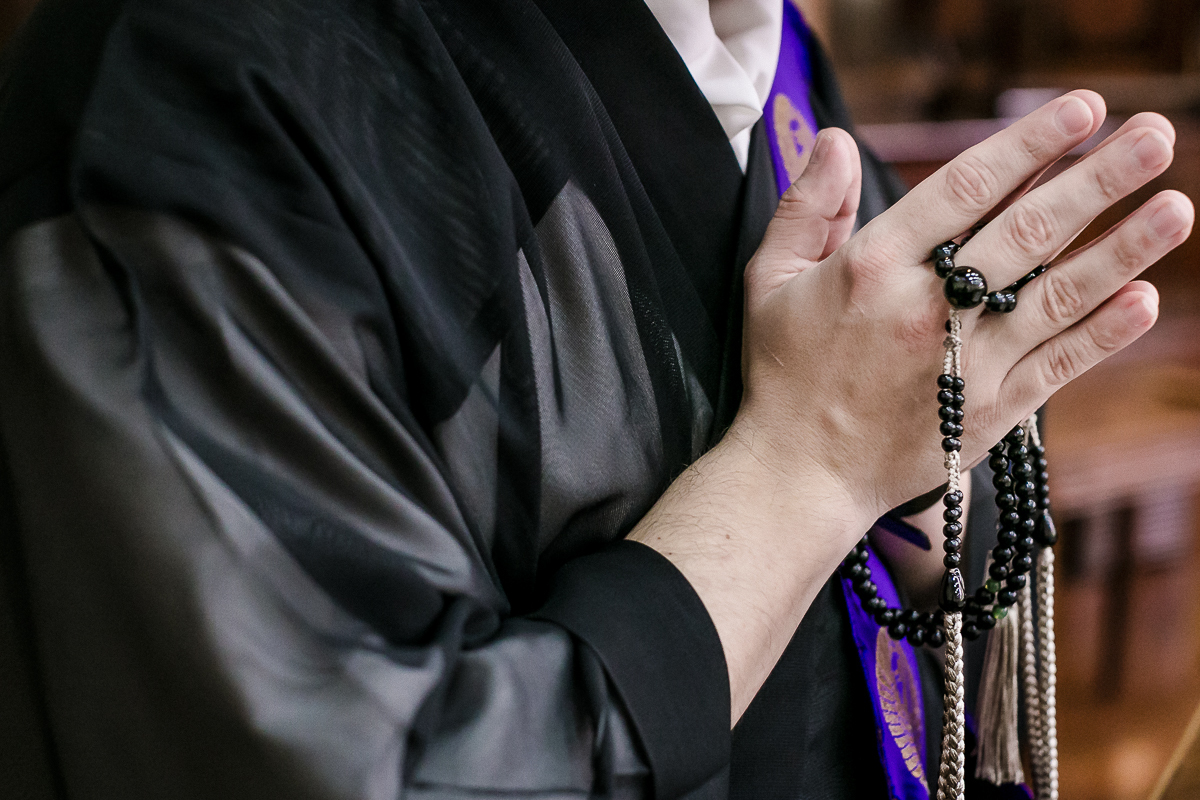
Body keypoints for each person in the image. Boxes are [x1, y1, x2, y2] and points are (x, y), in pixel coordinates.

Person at [0, 0, 1190, 797]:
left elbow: (895, 538)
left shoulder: (769, 62)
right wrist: (808, 473)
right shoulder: (205, 87)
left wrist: (925, 496)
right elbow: (330, 749)